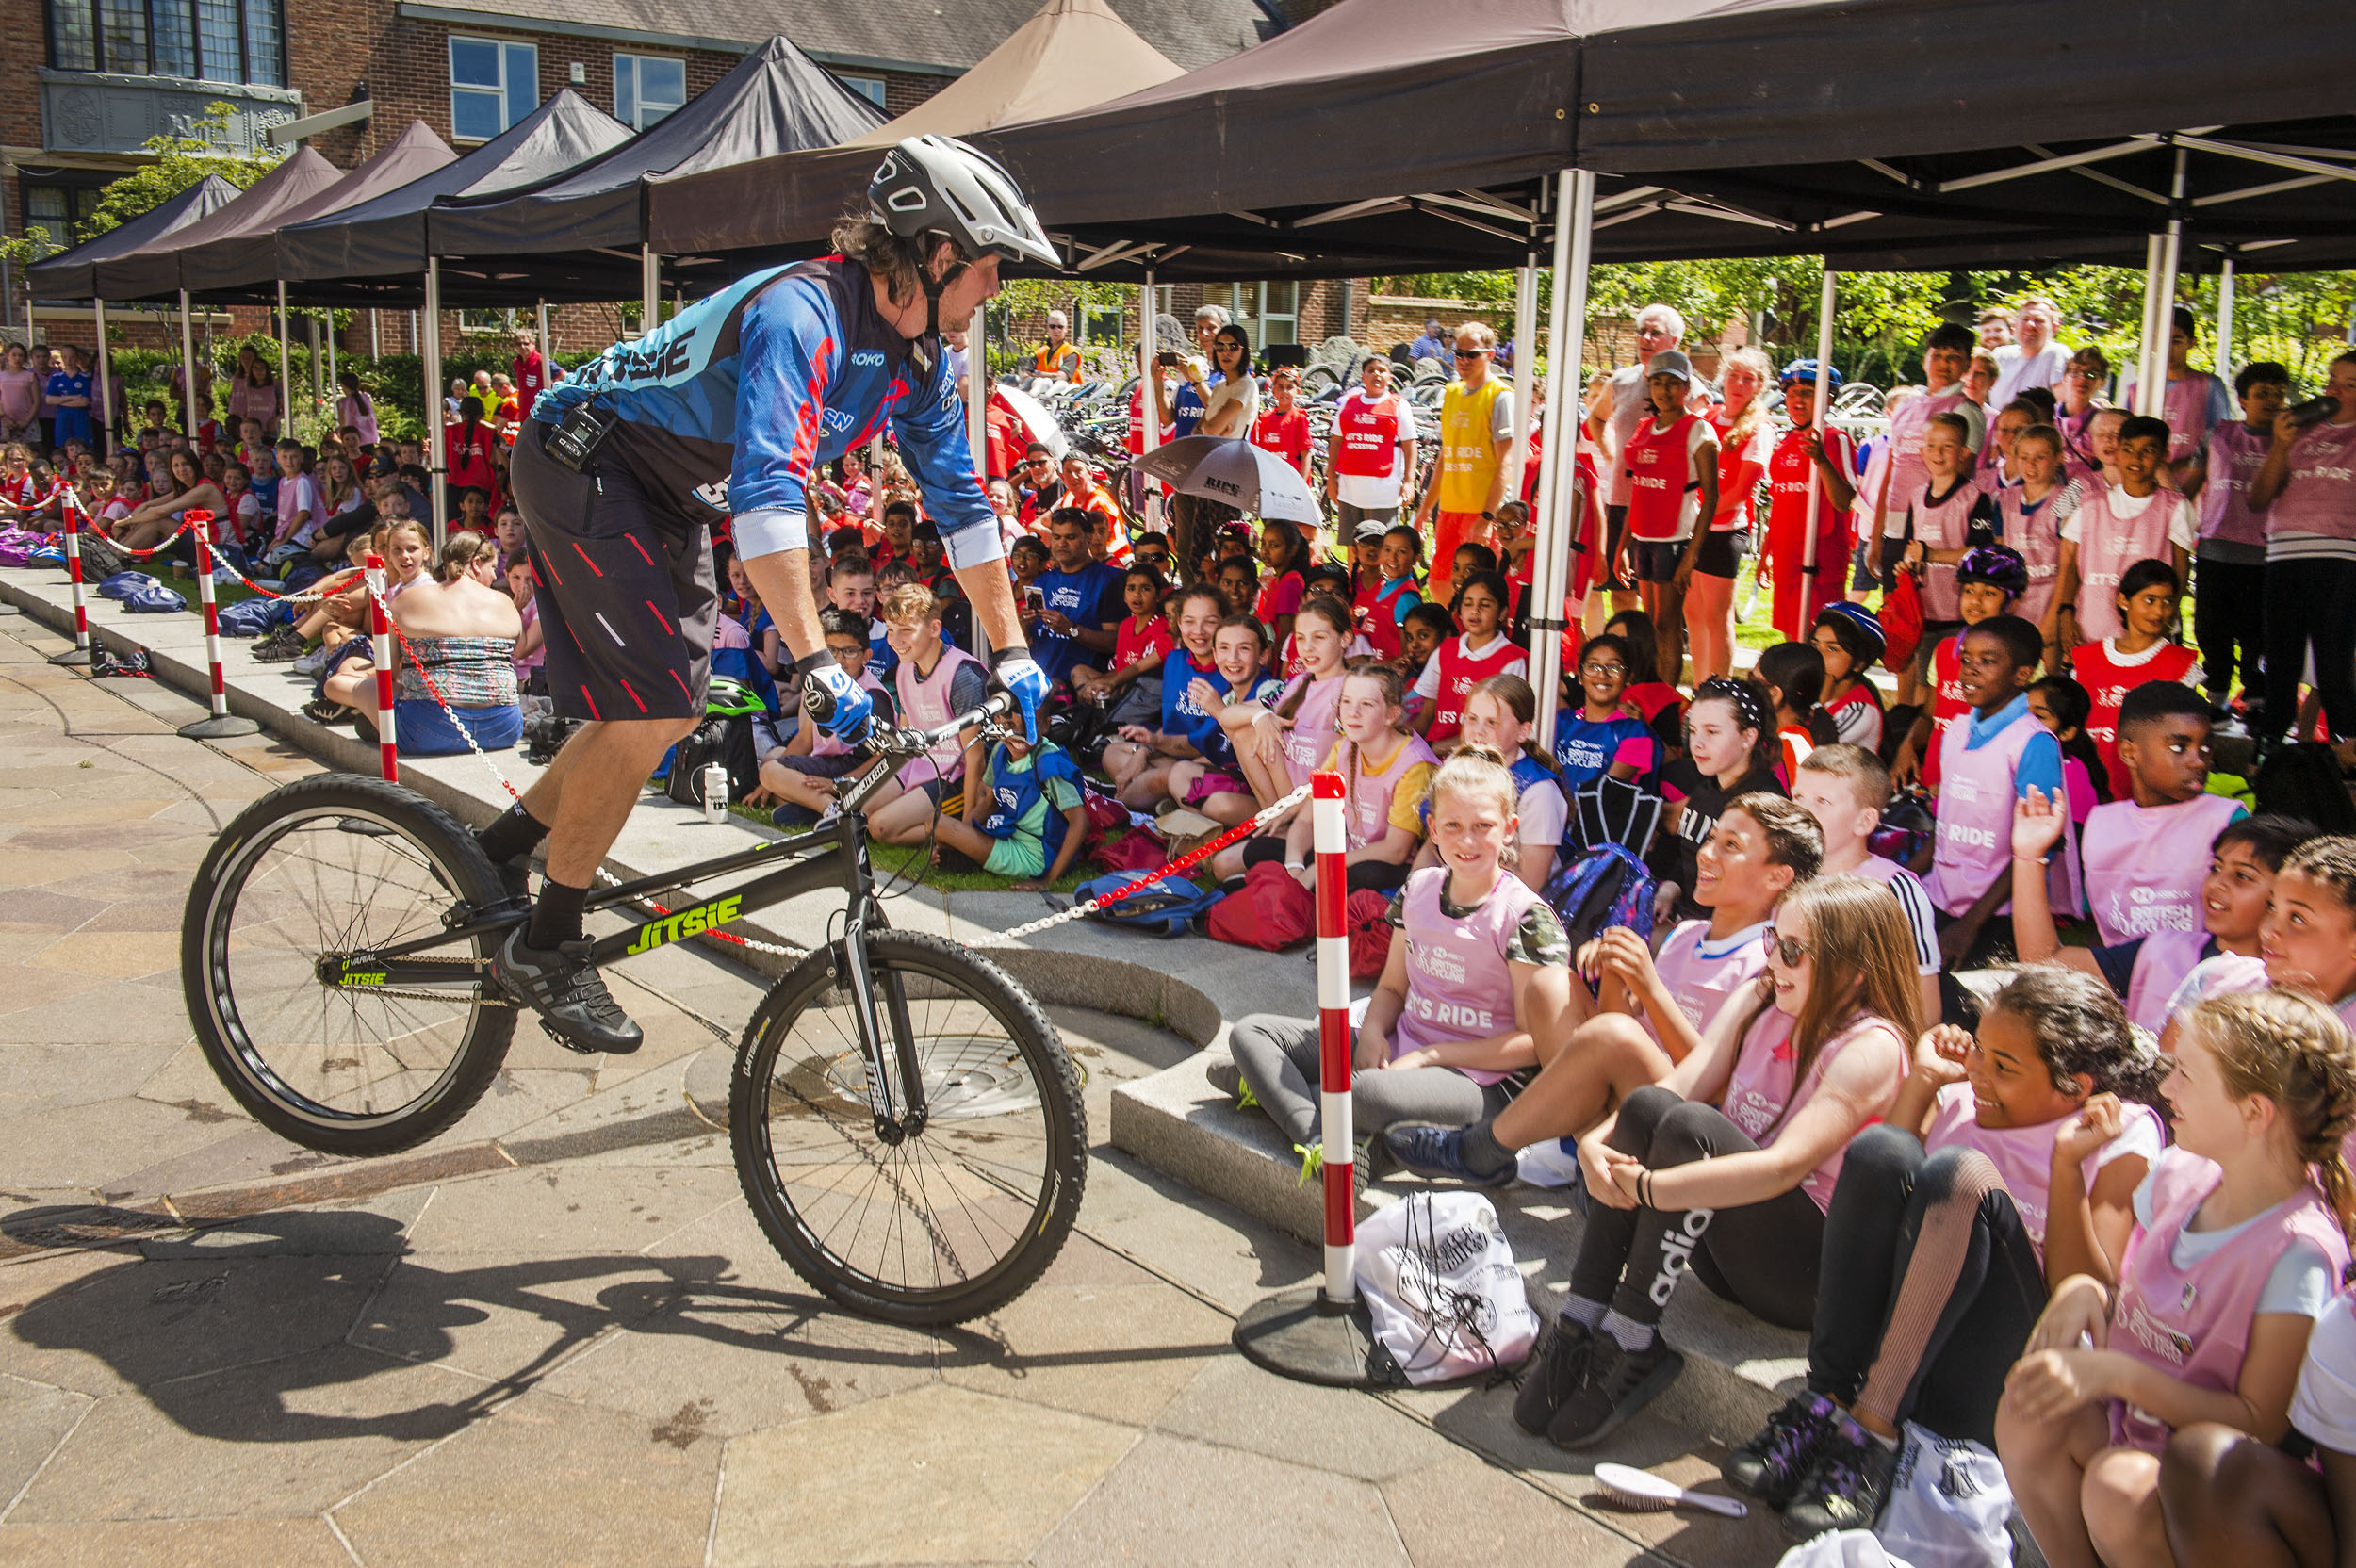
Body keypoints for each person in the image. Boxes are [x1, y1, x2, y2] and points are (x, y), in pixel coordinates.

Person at [485, 137, 1055, 1053]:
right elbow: (770, 489)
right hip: (583, 454)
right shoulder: (804, 313)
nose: (996, 288)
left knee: (670, 713)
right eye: (990, 266)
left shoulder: (919, 363)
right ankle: (549, 944)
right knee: (650, 707)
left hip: (670, 492)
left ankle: (498, 850)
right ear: (938, 252)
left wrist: (1014, 647)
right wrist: (815, 659)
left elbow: (962, 506)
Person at [1726, 967, 2165, 1538]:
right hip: (1909, 1342)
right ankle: (1826, 1399)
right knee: (1883, 1148)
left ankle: (1871, 1434)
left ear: (2075, 1087)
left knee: (1963, 1176)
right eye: (1980, 1050)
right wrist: (1921, 1084)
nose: (1978, 1072)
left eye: (2004, 1067)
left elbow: (2083, 1293)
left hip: (2002, 1371)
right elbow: (1878, 1195)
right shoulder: (1961, 1100)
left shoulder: (2118, 1133)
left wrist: (2066, 1165)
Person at [1510, 874, 1915, 1450]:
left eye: (1793, 950)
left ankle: (1632, 1339)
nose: (1773, 959)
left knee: (1692, 1128)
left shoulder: (1872, 1045)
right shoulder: (1763, 995)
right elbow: (1678, 1086)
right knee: (1650, 1107)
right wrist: (1597, 1142)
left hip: (1803, 1274)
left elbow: (1783, 1166)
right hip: (1730, 1246)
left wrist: (1651, 1188)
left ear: (1853, 971)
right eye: (1773, 939)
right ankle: (1579, 1321)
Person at [1997, 989, 2356, 1568]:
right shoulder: (2179, 1175)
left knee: (2117, 1488)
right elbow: (2148, 1306)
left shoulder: (2298, 1252)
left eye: (2187, 1074)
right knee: (2028, 1409)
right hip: (2133, 1426)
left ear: (2254, 1113)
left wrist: (2117, 1374)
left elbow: (2260, 1421)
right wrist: (2087, 1293)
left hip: (2207, 1489)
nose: (2166, 1089)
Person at [1388, 793, 1823, 1194]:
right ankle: (1589, 1162)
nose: (1707, 854)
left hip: (1692, 1127)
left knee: (1613, 1035)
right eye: (1711, 838)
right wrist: (1616, 973)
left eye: (1730, 846)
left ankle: (1482, 1149)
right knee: (1551, 985)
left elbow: (1722, 1088)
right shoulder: (1687, 934)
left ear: (1777, 876)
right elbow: (1622, 1028)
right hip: (1631, 1105)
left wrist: (1650, 989)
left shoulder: (1773, 964)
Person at [1221, 745, 1572, 1167]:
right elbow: (1391, 987)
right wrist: (1372, 1032)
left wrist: (1433, 1056)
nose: (1467, 840)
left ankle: (1279, 1096)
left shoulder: (1526, 918)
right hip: (1403, 1045)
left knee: (1367, 1093)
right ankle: (1315, 1132)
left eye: (1483, 826)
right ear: (1433, 829)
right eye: (1453, 825)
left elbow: (1532, 1044)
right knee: (1253, 1032)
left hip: (1481, 1079)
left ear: (1510, 829)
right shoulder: (1418, 889)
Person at [2018, 797, 2304, 1034]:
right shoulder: (2163, 952)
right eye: (2216, 868)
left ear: (2283, 896)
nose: (2217, 884)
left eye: (2242, 876)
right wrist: (2029, 855)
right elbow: (2042, 962)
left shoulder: (2298, 989)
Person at [1922, 614, 2063, 973]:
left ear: (2022, 674)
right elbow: (1945, 821)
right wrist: (1902, 876)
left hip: (1995, 914)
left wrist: (1970, 924)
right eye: (1966, 659)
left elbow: (2038, 847)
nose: (1969, 670)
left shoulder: (2033, 743)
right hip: (1940, 897)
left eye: (1987, 661)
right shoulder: (1956, 729)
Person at [2074, 681, 2245, 951]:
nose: (2199, 761)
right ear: (2129, 753)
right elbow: (2100, 924)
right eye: (2179, 747)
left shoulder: (2227, 821)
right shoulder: (2101, 824)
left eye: (2206, 747)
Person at [321, 532, 525, 756]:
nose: (494, 575)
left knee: (339, 684)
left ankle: (359, 708)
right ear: (476, 563)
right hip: (504, 728)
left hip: (428, 728)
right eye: (493, 567)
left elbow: (388, 672)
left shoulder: (408, 599)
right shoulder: (505, 602)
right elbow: (517, 653)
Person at [2249, 350, 2356, 748]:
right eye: (2332, 381)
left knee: (2334, 666)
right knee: (2281, 664)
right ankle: (2269, 752)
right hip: (2284, 558)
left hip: (2340, 560)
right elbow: (2257, 500)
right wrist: (2280, 446)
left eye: (2349, 385)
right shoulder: (2302, 432)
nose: (2334, 391)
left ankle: (2347, 757)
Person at [1789, 744, 1940, 1021]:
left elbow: (1924, 1002)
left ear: (1864, 821)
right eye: (1797, 796)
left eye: (1823, 801)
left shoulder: (1894, 889)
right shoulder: (1784, 876)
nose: (1803, 811)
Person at [1611, 350, 1717, 683]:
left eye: (1673, 383)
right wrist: (1623, 546)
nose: (1664, 390)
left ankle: (1666, 697)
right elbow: (1637, 491)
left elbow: (1711, 496)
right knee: (1651, 623)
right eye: (1657, 382)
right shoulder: (1644, 427)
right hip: (1643, 539)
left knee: (1666, 625)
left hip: (1674, 541)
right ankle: (1651, 689)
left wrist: (1690, 556)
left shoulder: (1698, 430)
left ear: (1687, 388)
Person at [2190, 362, 2288, 714]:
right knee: (2211, 629)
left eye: (2278, 394)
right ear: (2243, 399)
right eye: (2263, 393)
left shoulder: (2291, 443)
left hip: (2267, 554)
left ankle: (2257, 703)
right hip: (2216, 550)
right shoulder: (2216, 435)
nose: (2272, 400)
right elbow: (2191, 484)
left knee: (2258, 635)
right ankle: (2215, 700)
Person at [1891, 543, 2029, 791]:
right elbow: (1929, 715)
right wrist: (1908, 745)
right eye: (1969, 590)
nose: (1975, 601)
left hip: (1983, 789)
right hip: (1933, 782)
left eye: (1990, 593)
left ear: (2013, 602)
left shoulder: (2021, 662)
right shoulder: (1945, 650)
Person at [2053, 415, 2195, 653]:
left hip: (2146, 636)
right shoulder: (2090, 505)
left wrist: (2166, 619)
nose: (2136, 459)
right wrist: (2066, 612)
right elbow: (2069, 565)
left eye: (2147, 451)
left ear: (2164, 455)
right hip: (2090, 631)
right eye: (2128, 450)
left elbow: (2180, 571)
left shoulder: (2175, 507)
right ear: (2118, 454)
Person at [2069, 558, 2201, 800]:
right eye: (2150, 600)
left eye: (2167, 602)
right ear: (2123, 600)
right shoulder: (2087, 659)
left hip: (2150, 794)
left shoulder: (2180, 665)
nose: (2159, 611)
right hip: (2087, 786)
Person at [1654, 677, 1783, 924]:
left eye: (1712, 732)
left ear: (1748, 737)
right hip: (1685, 921)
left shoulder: (1764, 804)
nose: (1697, 743)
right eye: (1693, 731)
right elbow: (1687, 859)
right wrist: (1669, 889)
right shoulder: (1704, 790)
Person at [1873, 327, 1985, 609]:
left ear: (1967, 365)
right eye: (1938, 356)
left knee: (1929, 612)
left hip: (1935, 533)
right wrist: (1876, 536)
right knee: (1896, 613)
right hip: (1895, 527)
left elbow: (1963, 479)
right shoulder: (1907, 405)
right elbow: (1891, 471)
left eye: (1954, 357)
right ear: (1925, 360)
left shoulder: (1966, 410)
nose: (1944, 364)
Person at [1589, 305, 1692, 610]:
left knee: (1660, 598)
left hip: (1667, 507)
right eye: (1641, 331)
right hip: (1623, 499)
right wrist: (1612, 455)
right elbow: (1596, 419)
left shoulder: (1691, 387)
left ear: (1674, 340)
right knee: (1621, 589)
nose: (1645, 338)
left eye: (1655, 332)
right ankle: (1630, 642)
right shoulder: (1621, 381)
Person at [1413, 321, 1515, 604]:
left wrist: (1487, 517)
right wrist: (1424, 510)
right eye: (1459, 354)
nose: (1464, 360)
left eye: (1473, 354)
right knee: (1438, 582)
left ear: (1490, 355)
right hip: (1450, 509)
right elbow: (1445, 458)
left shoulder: (1500, 396)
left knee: (1480, 590)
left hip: (1480, 511)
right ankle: (1450, 631)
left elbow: (1505, 463)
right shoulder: (1452, 393)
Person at [1690, 348, 1773, 680]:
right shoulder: (1706, 417)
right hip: (1691, 528)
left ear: (1759, 385)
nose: (1739, 384)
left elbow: (1740, 491)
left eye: (1748, 379)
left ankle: (1718, 688)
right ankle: (1700, 687)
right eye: (1733, 376)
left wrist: (1698, 517)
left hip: (1724, 531)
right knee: (1693, 614)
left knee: (1716, 616)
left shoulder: (1759, 429)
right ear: (1722, 378)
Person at [1763, 360, 1857, 643]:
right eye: (1792, 393)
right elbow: (1779, 503)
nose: (1797, 400)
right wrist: (1766, 552)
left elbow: (1845, 501)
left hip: (1821, 563)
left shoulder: (1835, 440)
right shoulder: (1783, 444)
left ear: (1828, 398)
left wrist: (1822, 461)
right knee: (1791, 639)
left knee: (1819, 638)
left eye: (1807, 393)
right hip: (1787, 560)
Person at [2121, 306, 2233, 487]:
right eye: (2162, 341)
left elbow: (2221, 442)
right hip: (2145, 485)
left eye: (2176, 341)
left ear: (2192, 342)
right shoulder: (2139, 390)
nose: (2168, 349)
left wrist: (2186, 466)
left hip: (2194, 485)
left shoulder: (2210, 386)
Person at [1413, 569, 1524, 750]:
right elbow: (1426, 715)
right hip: (1434, 753)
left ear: (1502, 613)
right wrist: (1408, 747)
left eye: (1485, 605)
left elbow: (1498, 731)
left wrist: (1433, 748)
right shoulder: (1445, 650)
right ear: (1459, 610)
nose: (1475, 611)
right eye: (1468, 604)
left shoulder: (1511, 659)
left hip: (1479, 756)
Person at [1552, 633, 1659, 793]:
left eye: (1614, 668)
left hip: (1595, 809)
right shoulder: (1561, 721)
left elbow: (1604, 793)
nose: (1602, 675)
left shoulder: (1635, 733)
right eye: (1593, 666)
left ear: (1628, 678)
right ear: (1580, 676)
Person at [1328, 355, 1417, 536]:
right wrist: (1330, 478)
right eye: (1371, 370)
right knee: (1352, 544)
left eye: (1382, 370)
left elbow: (1410, 444)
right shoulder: (1348, 404)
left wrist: (1409, 481)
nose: (1376, 374)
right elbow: (1336, 442)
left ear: (1390, 378)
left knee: (1382, 543)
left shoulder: (1399, 405)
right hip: (1349, 492)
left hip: (1384, 494)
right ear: (1363, 377)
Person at [1810, 603, 1888, 753]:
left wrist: (1818, 704)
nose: (1818, 655)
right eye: (1815, 645)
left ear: (1858, 664)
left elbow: (1808, 749)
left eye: (1832, 649)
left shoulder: (1860, 711)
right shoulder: (1808, 686)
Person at [1756, 641, 1831, 782]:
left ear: (1774, 695)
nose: (1745, 689)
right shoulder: (1777, 738)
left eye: (1753, 682)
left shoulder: (1788, 748)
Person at [1352, 522, 1423, 662]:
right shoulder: (1386, 586)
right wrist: (1364, 617)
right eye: (1387, 549)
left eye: (1401, 551)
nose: (1392, 557)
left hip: (1388, 673)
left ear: (1416, 558)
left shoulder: (1406, 597)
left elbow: (1407, 656)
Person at [1990, 296, 2072, 409]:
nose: (2030, 325)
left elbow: (2065, 404)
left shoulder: (2056, 354)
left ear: (2054, 328)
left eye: (2039, 321)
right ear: (2016, 324)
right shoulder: (2000, 355)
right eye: (2025, 319)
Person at [1250, 366, 1313, 480]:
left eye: (1289, 387)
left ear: (1297, 391)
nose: (1284, 391)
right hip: (1271, 479)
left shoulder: (1298, 418)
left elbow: (1306, 454)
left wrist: (1302, 484)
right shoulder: (1265, 417)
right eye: (1280, 387)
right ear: (1273, 390)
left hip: (1291, 479)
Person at [42, 345, 92, 454]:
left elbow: (84, 401)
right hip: (62, 418)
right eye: (65, 357)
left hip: (80, 418)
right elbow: (49, 400)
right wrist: (72, 397)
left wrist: (60, 401)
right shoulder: (56, 378)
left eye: (71, 357)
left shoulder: (85, 378)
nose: (68, 361)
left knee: (82, 448)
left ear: (77, 357)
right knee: (63, 448)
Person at [1031, 310, 1082, 384]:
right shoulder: (1040, 352)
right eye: (1052, 326)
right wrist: (1052, 375)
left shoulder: (1071, 353)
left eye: (1060, 327)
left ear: (1066, 329)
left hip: (1064, 390)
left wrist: (1039, 374)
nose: (1056, 330)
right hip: (1039, 390)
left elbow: (1061, 377)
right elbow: (1026, 375)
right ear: (1048, 328)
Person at [335, 371, 379, 447]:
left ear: (344, 386)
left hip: (353, 441)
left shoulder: (343, 403)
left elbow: (342, 423)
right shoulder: (366, 398)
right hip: (370, 439)